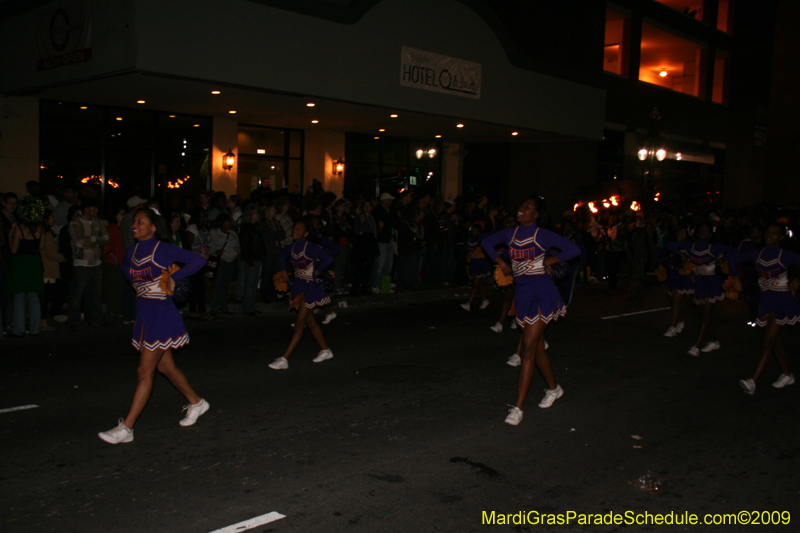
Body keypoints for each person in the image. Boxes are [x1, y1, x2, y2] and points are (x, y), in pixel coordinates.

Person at [98, 207, 209, 445]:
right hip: (145, 315)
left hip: (162, 315)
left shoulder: (163, 249)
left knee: (144, 372)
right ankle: (197, 402)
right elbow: (126, 268)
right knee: (166, 367)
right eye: (134, 222)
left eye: (140, 222)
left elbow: (198, 260)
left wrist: (172, 278)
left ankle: (127, 428)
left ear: (153, 227)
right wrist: (138, 284)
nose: (134, 226)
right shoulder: (133, 251)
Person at [481, 195, 580, 426]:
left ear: (536, 214)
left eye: (527, 207)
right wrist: (502, 263)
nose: (521, 210)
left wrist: (549, 261)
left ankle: (518, 408)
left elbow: (573, 250)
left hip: (542, 294)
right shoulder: (511, 233)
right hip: (523, 295)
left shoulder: (542, 234)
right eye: (520, 206)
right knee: (537, 350)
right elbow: (486, 243)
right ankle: (554, 389)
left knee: (527, 349)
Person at [731, 224, 800, 395]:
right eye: (768, 232)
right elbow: (733, 259)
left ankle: (752, 381)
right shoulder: (757, 253)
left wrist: (797, 280)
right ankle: (787, 374)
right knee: (775, 340)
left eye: (774, 233)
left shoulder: (786, 255)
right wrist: (736, 279)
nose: (769, 235)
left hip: (782, 302)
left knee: (767, 341)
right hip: (766, 301)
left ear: (781, 237)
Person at [268, 218, 334, 370]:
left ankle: (284, 359)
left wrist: (318, 270)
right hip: (298, 288)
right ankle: (325, 350)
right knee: (310, 322)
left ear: (306, 233)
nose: (295, 231)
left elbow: (328, 258)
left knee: (299, 324)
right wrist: (284, 271)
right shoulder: (292, 247)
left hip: (310, 288)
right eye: (294, 229)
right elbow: (281, 256)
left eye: (299, 229)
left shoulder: (310, 246)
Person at [666, 223, 738, 356]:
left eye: (706, 230)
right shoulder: (692, 245)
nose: (702, 232)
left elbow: (735, 251)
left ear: (710, 233)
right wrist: (682, 253)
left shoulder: (714, 246)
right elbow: (670, 245)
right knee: (704, 315)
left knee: (705, 314)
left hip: (713, 282)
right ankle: (713, 341)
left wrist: (722, 259)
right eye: (701, 230)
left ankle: (697, 346)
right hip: (699, 283)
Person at [6, 196, 46, 337]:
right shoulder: (40, 229)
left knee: (19, 296)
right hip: (34, 263)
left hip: (20, 264)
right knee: (34, 296)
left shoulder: (19, 229)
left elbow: (13, 250)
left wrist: (10, 237)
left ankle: (19, 328)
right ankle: (35, 328)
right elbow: (41, 247)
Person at [67, 198, 109, 329]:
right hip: (81, 263)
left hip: (96, 262)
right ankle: (74, 320)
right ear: (85, 209)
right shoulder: (75, 223)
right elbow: (79, 242)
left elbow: (106, 239)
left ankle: (95, 318)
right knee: (77, 294)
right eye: (93, 207)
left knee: (96, 293)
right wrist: (97, 241)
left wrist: (91, 239)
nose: (96, 210)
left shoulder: (98, 221)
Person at [656, 227, 694, 337]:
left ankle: (672, 328)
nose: (680, 235)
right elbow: (658, 253)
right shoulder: (671, 245)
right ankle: (680, 321)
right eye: (679, 232)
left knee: (676, 301)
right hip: (673, 276)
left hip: (684, 276)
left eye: (683, 233)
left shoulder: (689, 244)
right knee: (672, 303)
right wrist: (660, 265)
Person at [460, 224, 491, 311]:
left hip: (480, 263)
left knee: (475, 284)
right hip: (473, 263)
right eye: (472, 229)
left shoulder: (481, 239)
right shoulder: (469, 239)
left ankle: (468, 303)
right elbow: (465, 248)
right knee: (479, 283)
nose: (473, 230)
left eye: (475, 229)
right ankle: (485, 300)